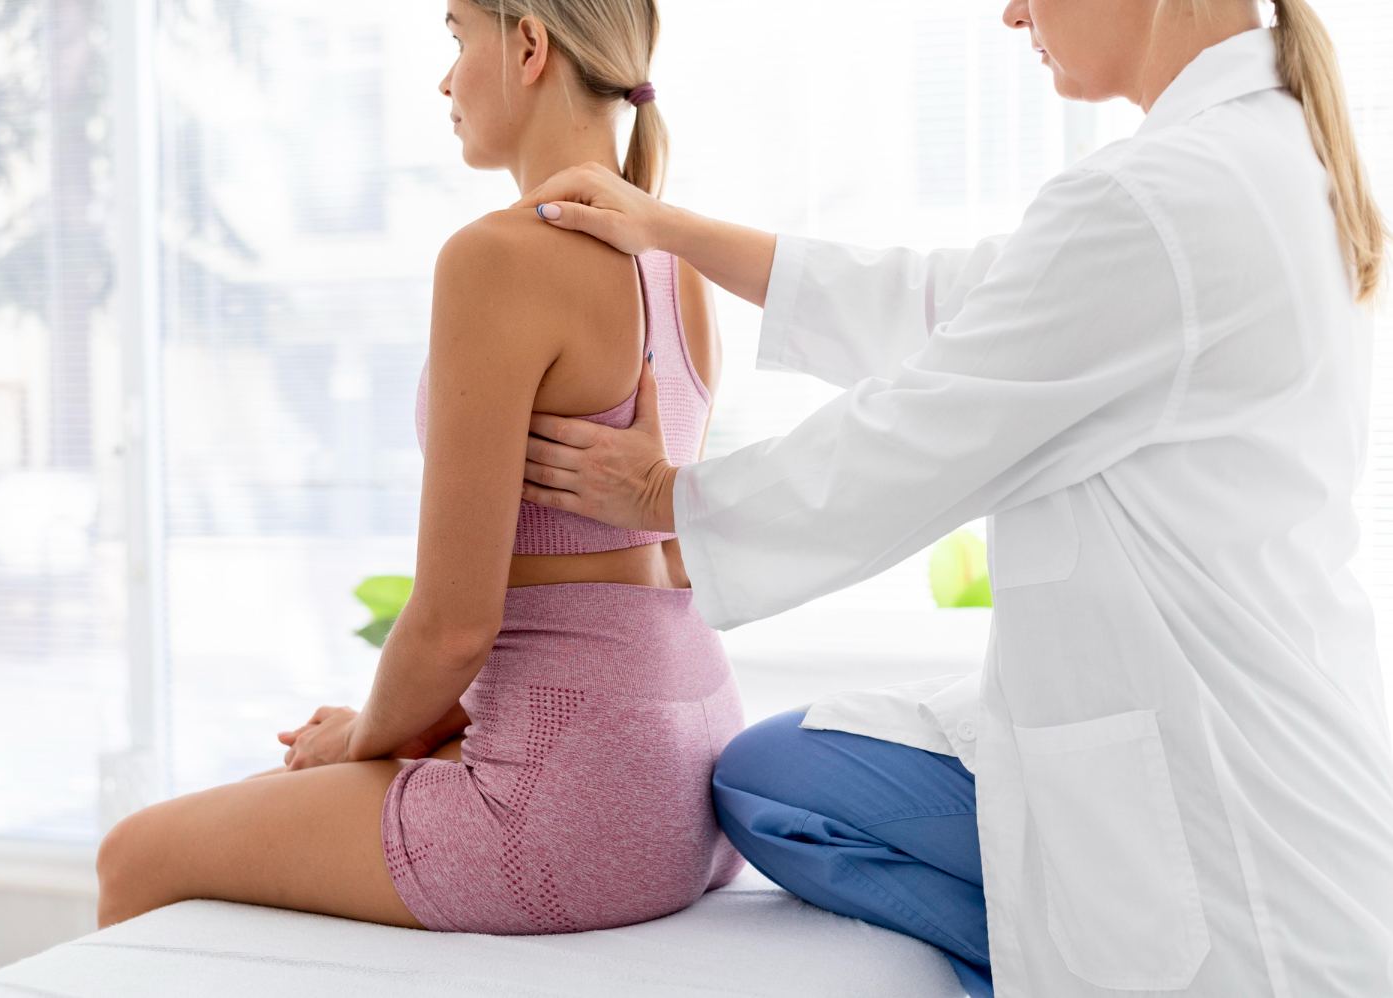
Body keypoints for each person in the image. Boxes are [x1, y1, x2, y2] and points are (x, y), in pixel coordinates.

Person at [517, 0, 1393, 994]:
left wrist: (669, 495)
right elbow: (951, 305)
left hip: (1229, 839)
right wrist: (669, 228)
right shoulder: (1256, 157)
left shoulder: (1167, 197)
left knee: (773, 786)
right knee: (773, 775)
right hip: (1273, 746)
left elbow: (919, 438)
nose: (1012, 12)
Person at [95, 0, 744, 934]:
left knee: (136, 855)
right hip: (690, 782)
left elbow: (451, 627)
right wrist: (411, 730)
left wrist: (365, 736)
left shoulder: (499, 257)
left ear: (528, 45)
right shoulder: (676, 259)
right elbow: (662, 561)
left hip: (573, 808)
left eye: (455, 37)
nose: (445, 79)